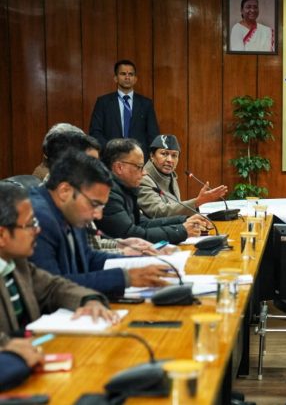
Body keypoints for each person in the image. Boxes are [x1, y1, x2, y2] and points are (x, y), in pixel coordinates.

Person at [0, 183, 119, 389]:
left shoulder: (17, 263)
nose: (37, 230)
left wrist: (88, 300)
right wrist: (7, 346)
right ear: (2, 235)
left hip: (34, 367)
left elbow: (54, 287)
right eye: (30, 225)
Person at [28, 152, 171, 296]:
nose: (98, 215)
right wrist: (125, 278)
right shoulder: (37, 218)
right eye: (94, 204)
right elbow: (54, 288)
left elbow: (87, 258)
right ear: (65, 191)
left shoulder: (70, 209)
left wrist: (139, 263)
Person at [96, 139, 209, 243]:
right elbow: (131, 235)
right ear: (119, 167)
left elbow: (143, 223)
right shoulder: (108, 194)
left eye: (174, 155)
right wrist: (181, 231)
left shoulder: (125, 188)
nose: (144, 172)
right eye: (139, 167)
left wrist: (185, 220)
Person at [138, 135, 228, 218]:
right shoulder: (143, 179)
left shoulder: (171, 177)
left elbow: (174, 209)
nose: (169, 160)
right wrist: (197, 202)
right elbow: (158, 212)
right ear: (152, 156)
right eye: (164, 154)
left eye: (174, 155)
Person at [88, 60, 160, 152]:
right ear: (115, 78)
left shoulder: (146, 104)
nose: (127, 77)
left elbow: (153, 134)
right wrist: (110, 149)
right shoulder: (103, 102)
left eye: (131, 74)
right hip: (110, 155)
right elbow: (95, 132)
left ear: (135, 79)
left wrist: (144, 154)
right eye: (123, 74)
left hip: (138, 156)